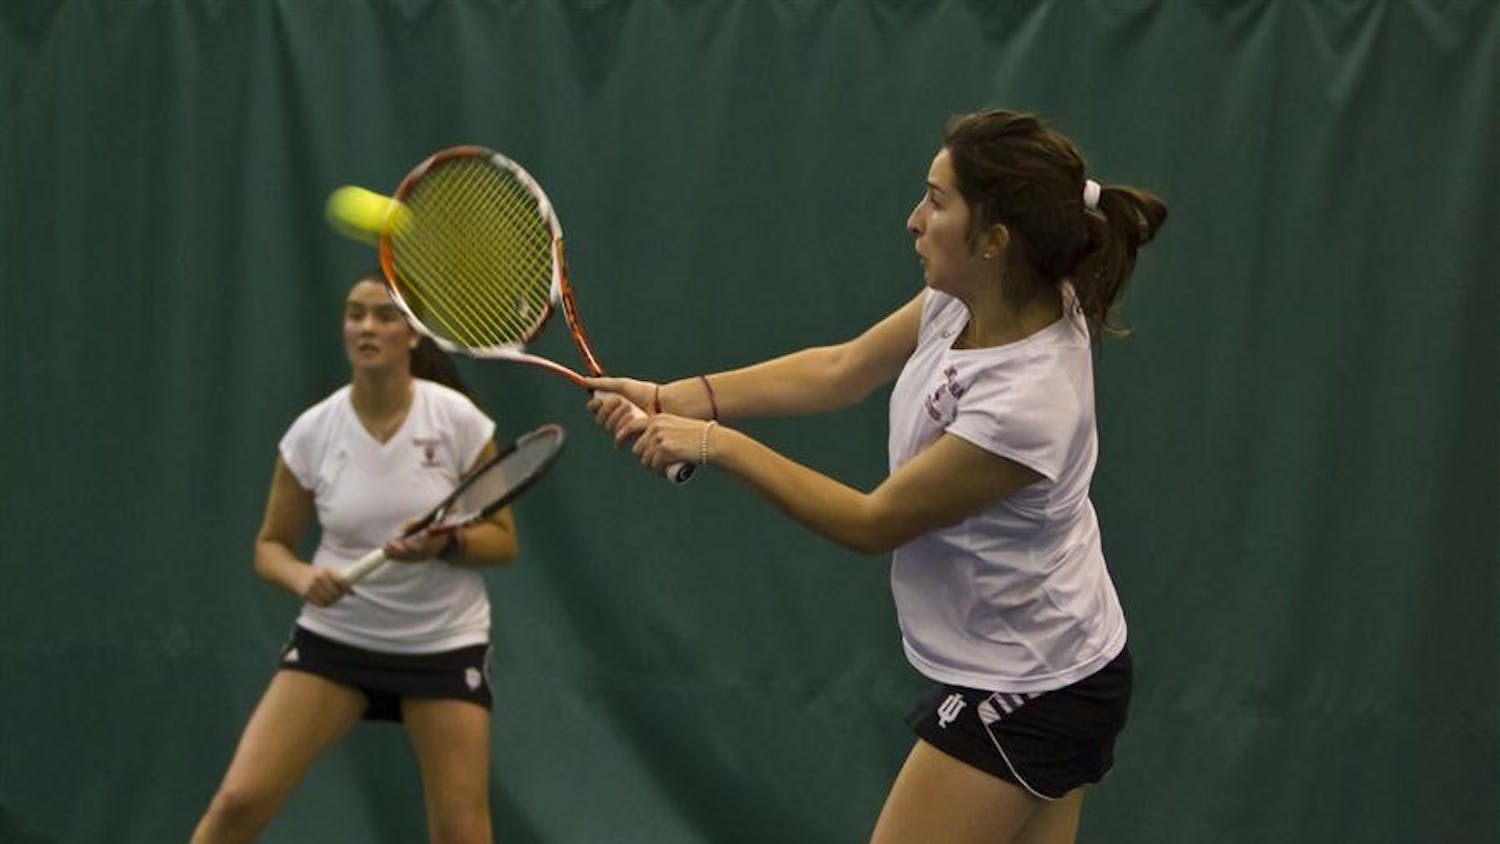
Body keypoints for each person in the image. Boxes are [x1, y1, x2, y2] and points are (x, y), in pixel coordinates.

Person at [588, 109, 1166, 844]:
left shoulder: (1029, 401)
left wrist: (714, 443)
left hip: (1033, 683)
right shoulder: (975, 297)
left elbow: (873, 522)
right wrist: (675, 397)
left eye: (936, 200)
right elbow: (840, 370)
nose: (913, 220)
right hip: (1057, 661)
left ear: (994, 241)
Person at [191, 272, 517, 844]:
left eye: (385, 316)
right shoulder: (313, 432)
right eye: (355, 314)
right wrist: (303, 577)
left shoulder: (457, 421)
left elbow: (502, 541)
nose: (366, 327)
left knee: (462, 832)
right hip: (336, 641)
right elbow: (270, 547)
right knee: (237, 803)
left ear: (413, 335)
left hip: (440, 644)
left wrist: (445, 544)